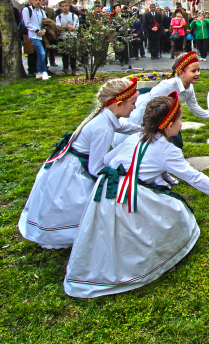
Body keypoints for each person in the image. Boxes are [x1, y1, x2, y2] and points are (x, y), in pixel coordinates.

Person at [63, 93, 209, 298]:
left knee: (110, 234)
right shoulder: (167, 150)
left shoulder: (134, 138)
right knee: (177, 212)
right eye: (180, 120)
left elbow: (109, 160)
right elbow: (194, 177)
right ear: (169, 126)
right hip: (132, 196)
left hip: (106, 195)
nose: (181, 123)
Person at [19, 78, 141, 249]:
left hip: (68, 164)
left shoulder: (104, 115)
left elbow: (121, 127)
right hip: (76, 171)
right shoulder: (103, 129)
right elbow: (95, 168)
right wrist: (118, 176)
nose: (135, 107)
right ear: (119, 104)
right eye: (133, 103)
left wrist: (142, 129)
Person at [115, 51, 209, 149]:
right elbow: (150, 103)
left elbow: (194, 107)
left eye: (198, 70)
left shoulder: (189, 88)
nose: (198, 73)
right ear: (181, 73)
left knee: (171, 142)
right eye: (193, 71)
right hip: (144, 110)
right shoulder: (168, 86)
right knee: (139, 138)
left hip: (165, 115)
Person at [23, 0, 50, 80]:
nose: (38, 1)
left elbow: (46, 22)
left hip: (42, 35)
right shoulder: (27, 10)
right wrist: (37, 31)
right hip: (33, 35)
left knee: (41, 54)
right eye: (36, 0)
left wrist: (44, 30)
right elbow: (27, 23)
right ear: (31, 0)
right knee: (41, 53)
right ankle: (43, 71)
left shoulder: (41, 11)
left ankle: (39, 71)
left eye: (39, 0)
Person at [55, 0, 79, 75]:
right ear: (60, 7)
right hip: (63, 37)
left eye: (66, 6)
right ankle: (65, 69)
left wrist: (64, 27)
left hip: (72, 37)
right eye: (63, 6)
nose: (65, 7)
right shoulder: (58, 17)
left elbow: (75, 27)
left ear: (68, 6)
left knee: (73, 55)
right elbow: (58, 27)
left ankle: (74, 69)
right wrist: (68, 27)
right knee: (65, 55)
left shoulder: (74, 16)